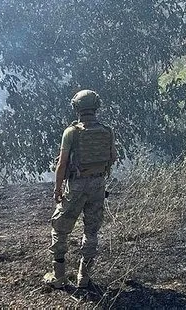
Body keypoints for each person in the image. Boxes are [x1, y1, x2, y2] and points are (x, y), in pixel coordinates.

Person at [43, 89, 118, 289]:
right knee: (91, 230)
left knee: (60, 228)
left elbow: (62, 164)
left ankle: (58, 277)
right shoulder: (107, 131)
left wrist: (57, 188)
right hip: (98, 184)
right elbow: (112, 157)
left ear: (76, 108)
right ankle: (83, 277)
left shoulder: (71, 132)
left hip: (76, 186)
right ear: (96, 106)